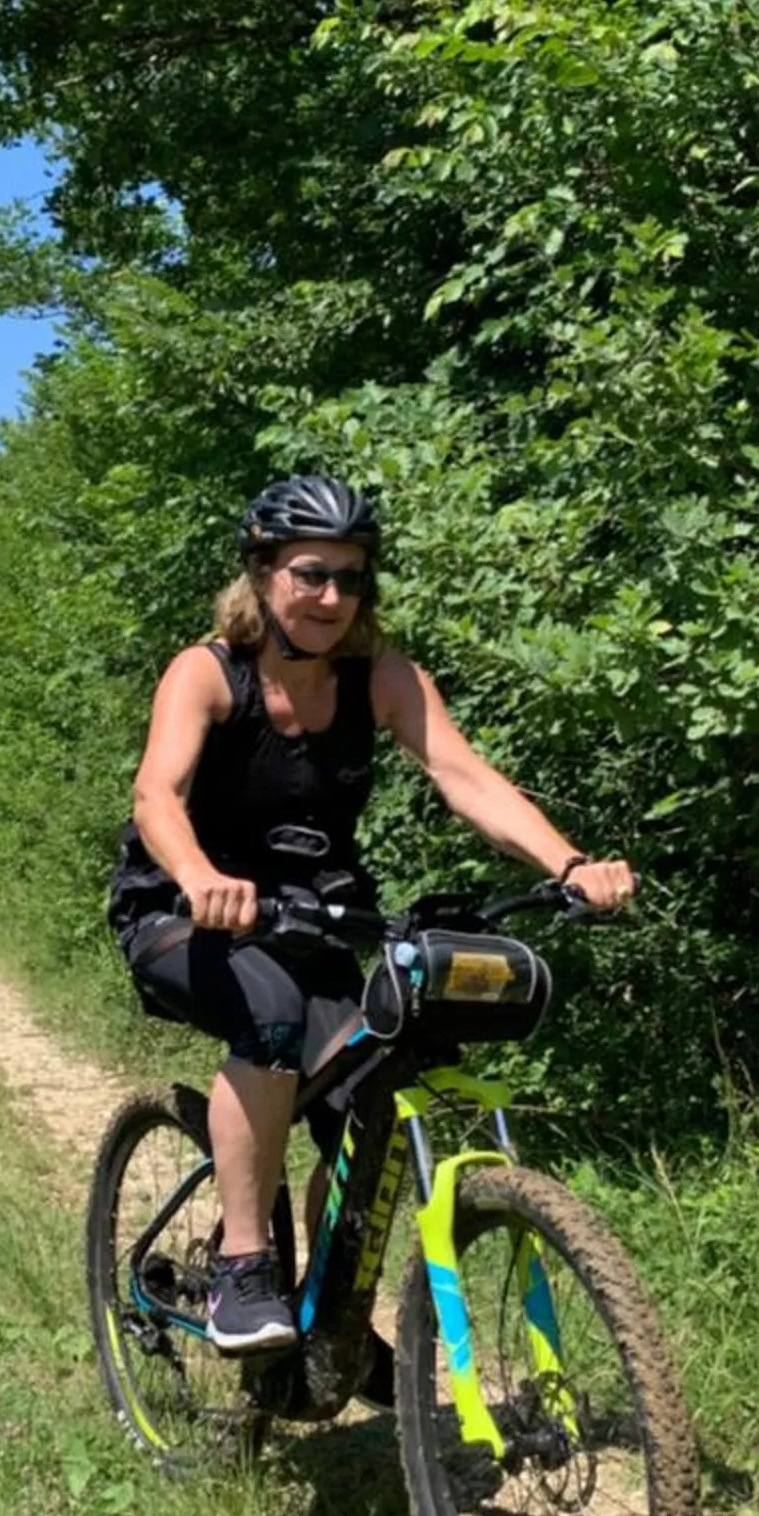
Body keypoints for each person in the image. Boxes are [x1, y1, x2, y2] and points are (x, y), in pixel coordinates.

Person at [108, 474, 635, 1354]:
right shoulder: (208, 672)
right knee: (270, 1022)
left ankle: (329, 1315)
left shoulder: (382, 679)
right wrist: (200, 873)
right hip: (183, 915)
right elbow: (157, 794)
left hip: (312, 923)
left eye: (352, 579)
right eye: (311, 574)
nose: (331, 598)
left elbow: (467, 780)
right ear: (263, 572)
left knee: (368, 1095)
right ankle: (244, 1269)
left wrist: (570, 864)